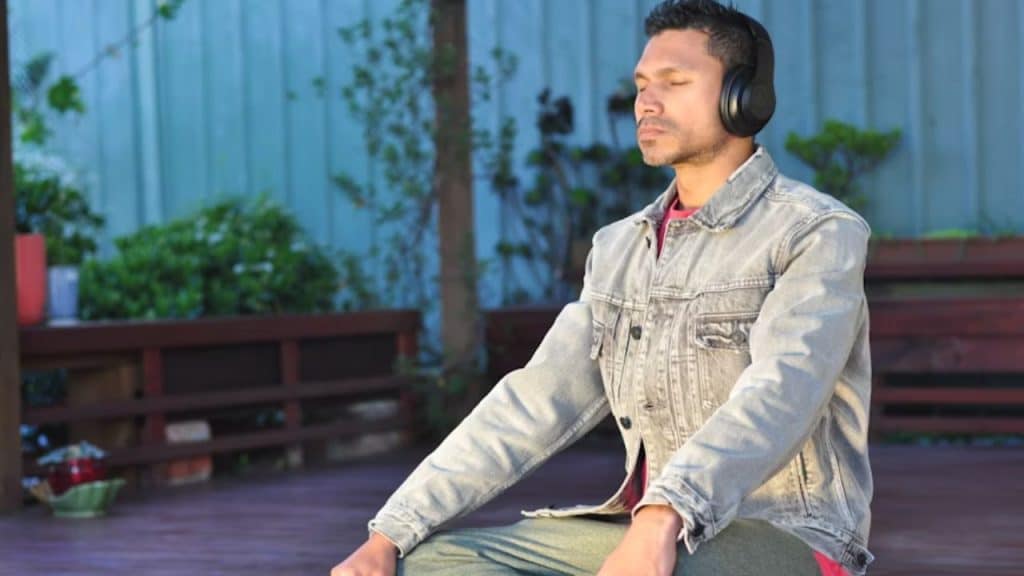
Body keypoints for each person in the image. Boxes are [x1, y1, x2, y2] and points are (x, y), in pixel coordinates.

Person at [332, 1, 873, 574]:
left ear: (744, 99)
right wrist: (390, 532)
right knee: (427, 566)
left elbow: (781, 394)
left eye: (674, 82)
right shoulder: (619, 249)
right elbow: (532, 404)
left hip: (783, 533)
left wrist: (664, 512)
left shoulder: (816, 232)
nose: (647, 101)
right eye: (641, 84)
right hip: (646, 532)